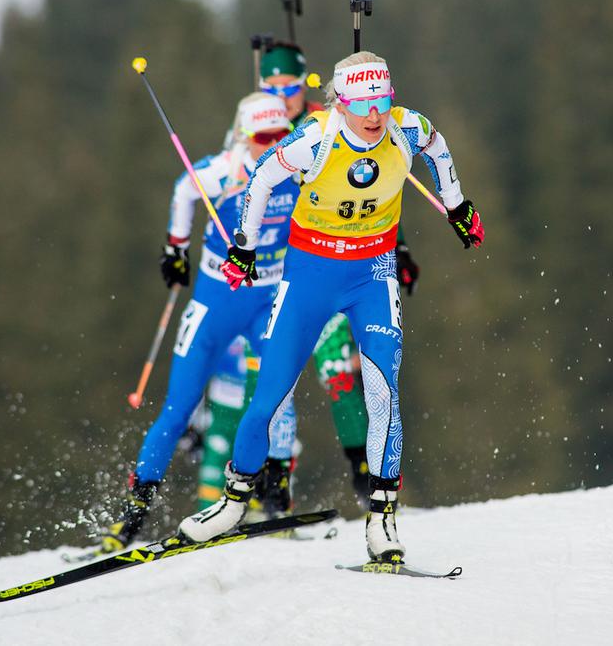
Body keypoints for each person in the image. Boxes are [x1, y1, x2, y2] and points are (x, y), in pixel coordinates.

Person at [178, 51, 485, 563]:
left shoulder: (407, 128)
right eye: (362, 104)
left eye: (382, 101)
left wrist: (457, 204)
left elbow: (439, 147)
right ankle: (234, 502)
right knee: (270, 395)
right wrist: (244, 247)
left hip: (372, 274)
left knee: (383, 389)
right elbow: (259, 181)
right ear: (340, 103)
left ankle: (382, 521)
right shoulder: (314, 139)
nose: (374, 115)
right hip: (309, 276)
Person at [194, 42, 420, 510]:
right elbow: (242, 190)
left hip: (330, 265)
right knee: (271, 380)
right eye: (270, 86)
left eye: (290, 85)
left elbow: (373, 189)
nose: (282, 95)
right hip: (271, 274)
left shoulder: (329, 122)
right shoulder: (255, 127)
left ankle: (367, 478)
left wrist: (396, 250)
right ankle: (270, 484)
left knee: (340, 371)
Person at [98, 93, 301, 554]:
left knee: (278, 396)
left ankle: (274, 500)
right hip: (217, 300)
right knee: (179, 405)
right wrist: (176, 248)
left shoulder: (298, 164)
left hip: (268, 297)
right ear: (244, 136)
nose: (272, 144)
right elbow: (183, 189)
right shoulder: (224, 171)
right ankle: (132, 516)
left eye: (280, 135)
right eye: (262, 137)